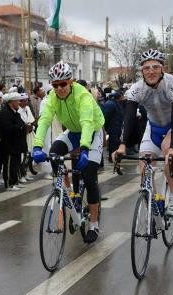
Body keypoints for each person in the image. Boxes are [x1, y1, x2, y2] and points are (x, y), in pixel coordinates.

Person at [32, 61, 105, 243]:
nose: (59, 88)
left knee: (88, 175)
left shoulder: (83, 96)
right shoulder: (52, 97)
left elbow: (87, 123)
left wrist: (85, 149)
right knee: (55, 153)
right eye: (55, 85)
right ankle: (70, 192)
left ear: (70, 82)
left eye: (63, 84)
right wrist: (37, 146)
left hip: (93, 131)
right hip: (72, 131)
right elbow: (44, 121)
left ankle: (94, 224)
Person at [113, 49, 173, 217]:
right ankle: (155, 199)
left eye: (155, 67)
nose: (151, 71)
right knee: (144, 166)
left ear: (162, 69)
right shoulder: (136, 89)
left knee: (168, 153)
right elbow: (129, 118)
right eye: (146, 68)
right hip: (152, 127)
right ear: (142, 71)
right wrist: (122, 145)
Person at [0, 92, 25, 191]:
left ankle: (14, 181)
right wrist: (20, 127)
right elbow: (7, 127)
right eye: (17, 101)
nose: (18, 102)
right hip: (9, 144)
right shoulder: (5, 112)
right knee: (9, 164)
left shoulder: (15, 112)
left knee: (16, 163)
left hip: (16, 144)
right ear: (11, 102)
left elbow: (20, 123)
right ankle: (9, 183)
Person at [103, 89, 125, 165]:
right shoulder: (110, 104)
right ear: (119, 96)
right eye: (122, 96)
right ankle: (112, 157)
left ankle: (115, 157)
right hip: (113, 128)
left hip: (117, 127)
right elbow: (106, 117)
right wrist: (105, 129)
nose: (123, 97)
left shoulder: (116, 103)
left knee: (115, 143)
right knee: (113, 144)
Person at [18, 93, 35, 183]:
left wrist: (32, 126)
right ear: (19, 102)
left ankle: (25, 173)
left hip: (29, 135)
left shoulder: (27, 108)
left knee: (28, 155)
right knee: (22, 156)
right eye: (24, 101)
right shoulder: (18, 110)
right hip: (22, 136)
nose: (26, 103)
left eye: (26, 100)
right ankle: (20, 175)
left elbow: (31, 120)